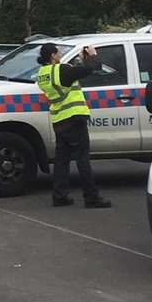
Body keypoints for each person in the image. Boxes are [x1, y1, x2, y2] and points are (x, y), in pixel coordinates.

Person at [37, 42, 112, 208]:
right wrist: (92, 55)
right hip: (73, 118)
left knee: (62, 160)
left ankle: (60, 196)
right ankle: (92, 197)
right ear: (52, 55)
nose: (61, 54)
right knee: (82, 158)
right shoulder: (61, 70)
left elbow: (75, 73)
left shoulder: (42, 73)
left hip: (59, 120)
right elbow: (90, 69)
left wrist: (81, 61)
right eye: (58, 52)